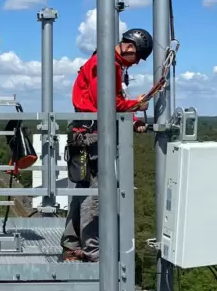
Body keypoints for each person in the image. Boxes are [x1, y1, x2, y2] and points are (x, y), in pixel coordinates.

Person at [60, 28, 154, 262]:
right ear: (130, 47)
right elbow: (107, 103)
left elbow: (110, 102)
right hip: (93, 135)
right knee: (95, 195)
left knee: (83, 192)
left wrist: (132, 120)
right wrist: (136, 106)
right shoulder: (107, 65)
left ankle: (72, 245)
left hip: (86, 132)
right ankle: (94, 254)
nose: (135, 63)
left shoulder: (107, 63)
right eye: (137, 58)